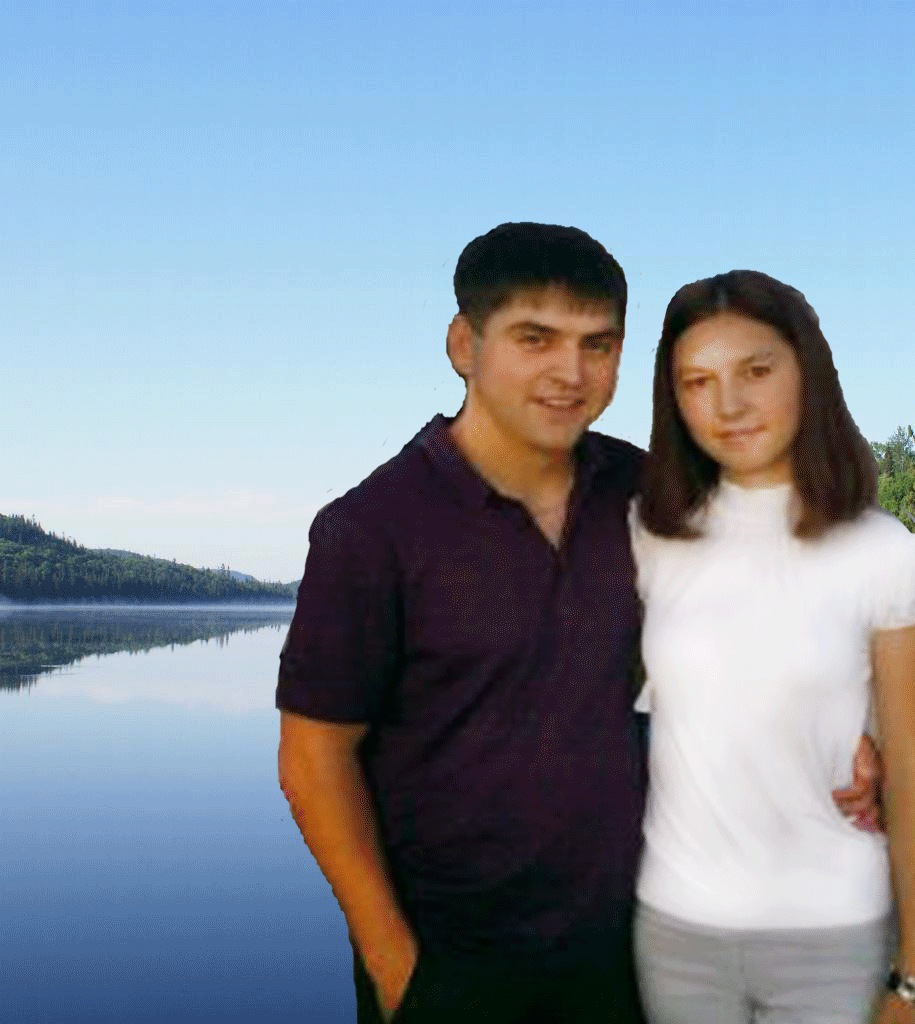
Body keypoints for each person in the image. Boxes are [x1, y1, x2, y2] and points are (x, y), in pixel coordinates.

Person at [276, 223, 883, 1024]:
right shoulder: (371, 530)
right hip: (455, 972)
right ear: (463, 344)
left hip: (642, 959)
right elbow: (314, 760)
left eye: (598, 345)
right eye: (536, 339)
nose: (571, 373)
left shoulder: (649, 492)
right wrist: (399, 972)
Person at [630, 270, 915, 1024]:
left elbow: (909, 762)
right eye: (698, 381)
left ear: (808, 371)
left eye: (756, 371)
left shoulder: (882, 554)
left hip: (832, 930)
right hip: (674, 930)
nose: (728, 405)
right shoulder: (649, 536)